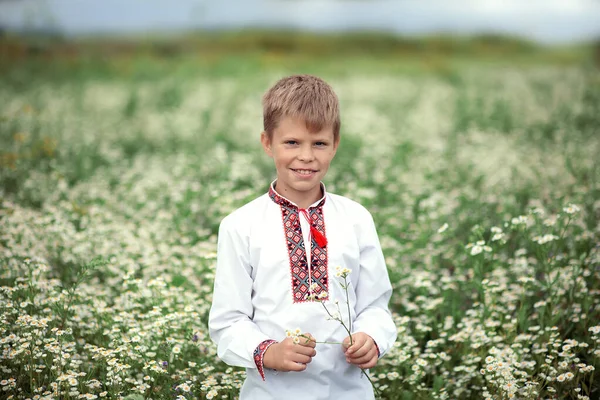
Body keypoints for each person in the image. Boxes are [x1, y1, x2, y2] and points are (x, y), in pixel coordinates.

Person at [208, 74, 397, 399]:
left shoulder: (356, 219)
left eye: (319, 143)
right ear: (267, 143)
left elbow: (376, 305)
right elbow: (228, 322)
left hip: (349, 391)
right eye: (292, 142)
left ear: (335, 145)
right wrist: (268, 352)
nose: (307, 156)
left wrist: (371, 338)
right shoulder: (241, 225)